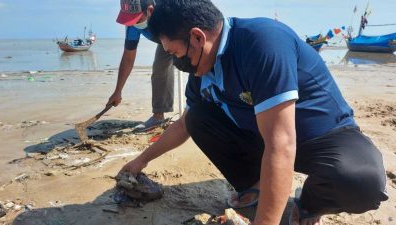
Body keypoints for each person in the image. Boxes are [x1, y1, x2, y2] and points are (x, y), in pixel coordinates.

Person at [119, 0, 389, 224]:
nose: (177, 63)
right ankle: (255, 184)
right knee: (197, 116)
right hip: (264, 133)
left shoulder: (261, 42)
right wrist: (141, 161)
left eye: (175, 53)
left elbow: (281, 144)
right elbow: (183, 126)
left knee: (363, 183)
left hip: (324, 136)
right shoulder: (201, 68)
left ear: (198, 37)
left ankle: (309, 204)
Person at [107, 0, 175, 130]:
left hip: (182, 32)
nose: (133, 23)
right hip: (163, 41)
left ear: (150, 10)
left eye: (137, 20)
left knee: (195, 67)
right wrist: (118, 91)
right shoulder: (132, 26)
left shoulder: (167, 10)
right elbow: (128, 58)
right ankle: (158, 117)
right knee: (159, 70)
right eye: (130, 20)